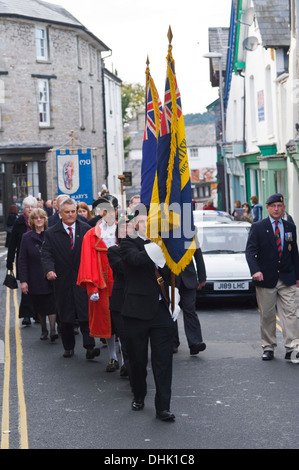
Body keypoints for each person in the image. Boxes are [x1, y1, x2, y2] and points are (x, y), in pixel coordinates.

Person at [120, 204, 177, 422]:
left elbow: (172, 271)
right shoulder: (127, 244)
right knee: (138, 360)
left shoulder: (163, 244)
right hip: (136, 312)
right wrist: (157, 249)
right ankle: (139, 394)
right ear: (135, 225)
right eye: (143, 221)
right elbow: (135, 261)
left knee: (163, 362)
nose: (148, 225)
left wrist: (176, 294)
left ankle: (163, 407)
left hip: (161, 310)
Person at [41, 197, 100, 359]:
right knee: (65, 315)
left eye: (73, 212)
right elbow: (46, 255)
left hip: (83, 279)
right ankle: (68, 347)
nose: (70, 215)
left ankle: (89, 347)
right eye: (67, 212)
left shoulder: (86, 229)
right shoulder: (51, 233)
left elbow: (94, 253)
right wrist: (49, 271)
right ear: (60, 213)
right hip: (62, 280)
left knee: (85, 313)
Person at [245, 193, 299, 361]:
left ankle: (292, 347)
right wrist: (255, 270)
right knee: (267, 315)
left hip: (287, 277)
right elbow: (250, 252)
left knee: (292, 313)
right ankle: (268, 346)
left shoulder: (290, 227)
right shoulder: (258, 227)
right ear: (267, 208)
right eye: (273, 206)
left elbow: (294, 254)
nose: (277, 209)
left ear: (283, 208)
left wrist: (297, 276)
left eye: (279, 206)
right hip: (265, 279)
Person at [77, 213, 116, 371]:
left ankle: (128, 359)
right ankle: (113, 356)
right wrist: (92, 287)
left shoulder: (126, 231)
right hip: (103, 285)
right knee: (109, 323)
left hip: (123, 283)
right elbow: (88, 262)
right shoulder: (91, 235)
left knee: (125, 323)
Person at [18, 208, 58, 341]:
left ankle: (52, 330)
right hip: (35, 275)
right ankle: (44, 329)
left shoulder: (51, 234)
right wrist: (23, 281)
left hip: (51, 273)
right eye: (36, 218)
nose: (39, 219)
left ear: (45, 219)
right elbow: (22, 260)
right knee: (40, 304)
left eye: (41, 217)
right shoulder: (26, 237)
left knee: (52, 302)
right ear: (32, 221)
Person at [107, 215, 134, 379]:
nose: (127, 232)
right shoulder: (113, 251)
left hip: (137, 300)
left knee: (135, 339)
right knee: (124, 337)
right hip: (120, 301)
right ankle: (128, 367)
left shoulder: (142, 249)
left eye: (130, 229)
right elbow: (122, 268)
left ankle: (133, 367)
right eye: (123, 229)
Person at [173, 229, 207, 355]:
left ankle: (195, 343)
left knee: (190, 310)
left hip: (189, 277)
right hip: (170, 278)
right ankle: (172, 343)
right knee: (171, 311)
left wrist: (202, 277)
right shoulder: (163, 229)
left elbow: (197, 254)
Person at [7, 196, 38, 325]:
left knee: (38, 287)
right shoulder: (19, 222)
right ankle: (26, 315)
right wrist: (9, 262)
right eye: (27, 207)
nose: (29, 209)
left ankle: (37, 314)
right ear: (23, 209)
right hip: (23, 259)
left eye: (31, 206)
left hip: (38, 260)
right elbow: (12, 243)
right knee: (25, 288)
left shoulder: (40, 219)